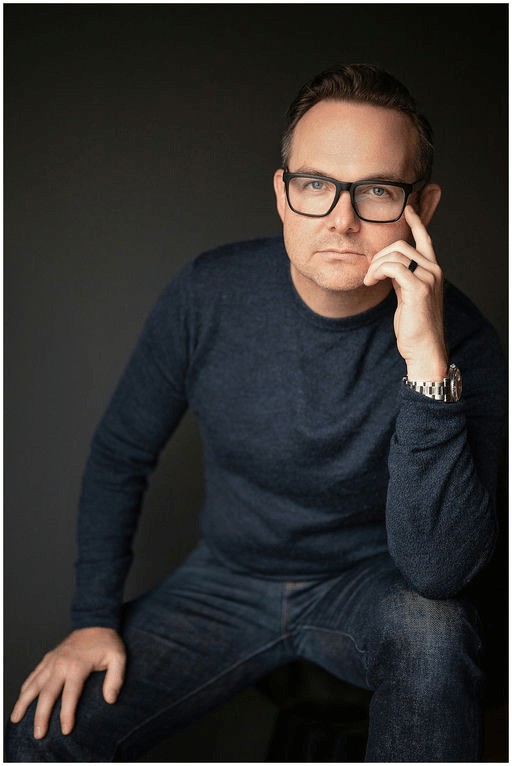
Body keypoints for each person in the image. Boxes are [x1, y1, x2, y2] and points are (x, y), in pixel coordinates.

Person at [6, 64, 506, 762]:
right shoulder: (208, 294)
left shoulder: (464, 343)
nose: (341, 219)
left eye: (377, 191)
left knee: (437, 633)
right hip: (225, 581)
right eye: (315, 185)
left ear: (422, 205)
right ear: (281, 193)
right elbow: (121, 453)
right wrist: (92, 619)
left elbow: (440, 574)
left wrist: (427, 363)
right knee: (41, 733)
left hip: (369, 586)